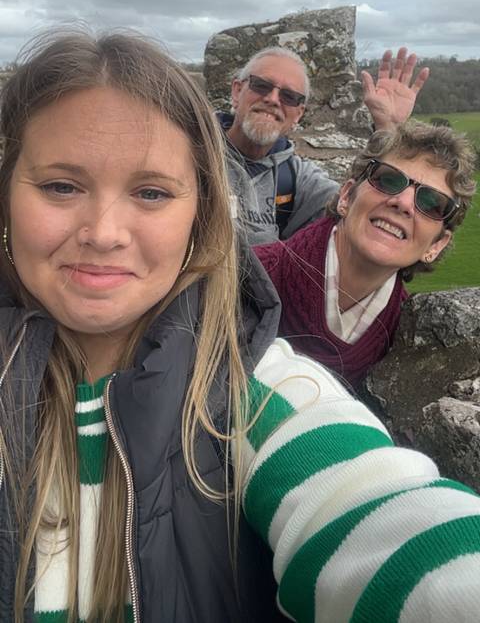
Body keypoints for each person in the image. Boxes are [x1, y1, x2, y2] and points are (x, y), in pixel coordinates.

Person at [1, 30, 480, 623]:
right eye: (60, 186)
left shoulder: (274, 375)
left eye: (150, 193)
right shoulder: (261, 281)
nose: (103, 232)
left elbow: (380, 511)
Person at [255, 120, 476, 385]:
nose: (404, 203)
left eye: (431, 203)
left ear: (436, 245)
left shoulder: (410, 341)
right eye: (388, 180)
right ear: (347, 196)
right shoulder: (245, 276)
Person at [218, 44, 430, 244]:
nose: (273, 99)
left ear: (298, 114)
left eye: (289, 96)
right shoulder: (199, 152)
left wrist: (387, 128)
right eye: (261, 85)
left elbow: (354, 208)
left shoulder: (296, 178)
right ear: (237, 91)